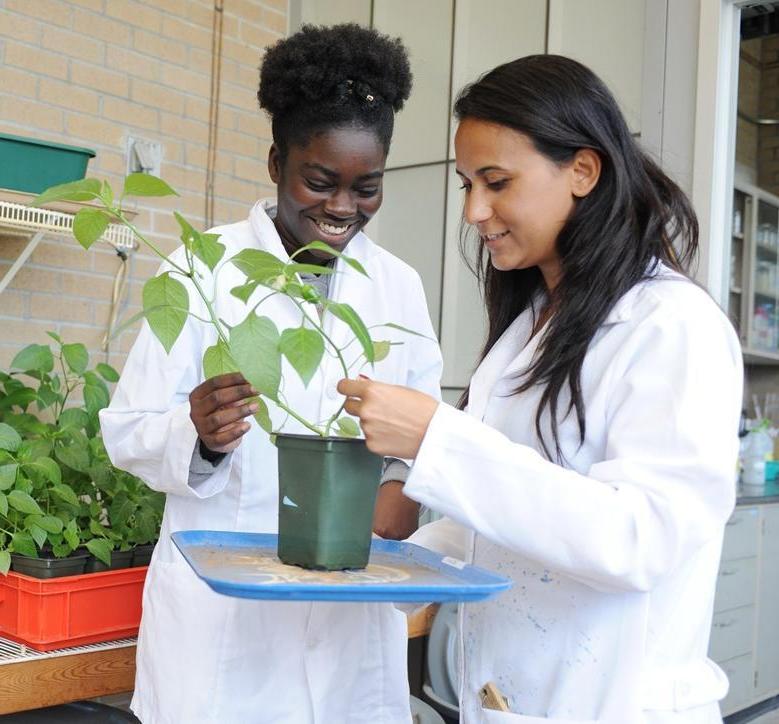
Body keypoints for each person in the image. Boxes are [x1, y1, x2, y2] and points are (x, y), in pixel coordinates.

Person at [339, 54, 743, 724]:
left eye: (496, 182)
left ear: (582, 171)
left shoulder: (670, 325)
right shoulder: (527, 329)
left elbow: (640, 538)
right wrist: (381, 566)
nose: (473, 210)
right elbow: (498, 528)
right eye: (467, 184)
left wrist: (437, 440)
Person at [100, 24, 441, 724]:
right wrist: (198, 434)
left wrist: (402, 487)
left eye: (365, 187)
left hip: (350, 617)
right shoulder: (201, 271)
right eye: (320, 181)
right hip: (225, 639)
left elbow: (419, 425)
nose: (342, 208)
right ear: (275, 163)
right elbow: (128, 432)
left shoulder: (397, 286)